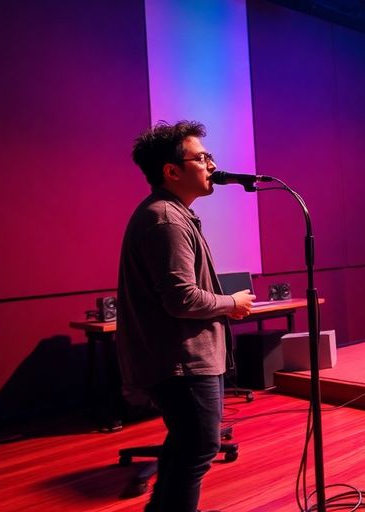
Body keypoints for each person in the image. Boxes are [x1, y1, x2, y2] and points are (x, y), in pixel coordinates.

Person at [116, 120, 255, 512]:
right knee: (197, 450)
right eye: (202, 157)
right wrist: (232, 303)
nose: (212, 165)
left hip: (181, 361)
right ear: (171, 170)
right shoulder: (165, 219)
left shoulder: (171, 214)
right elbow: (181, 300)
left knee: (186, 449)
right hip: (182, 363)